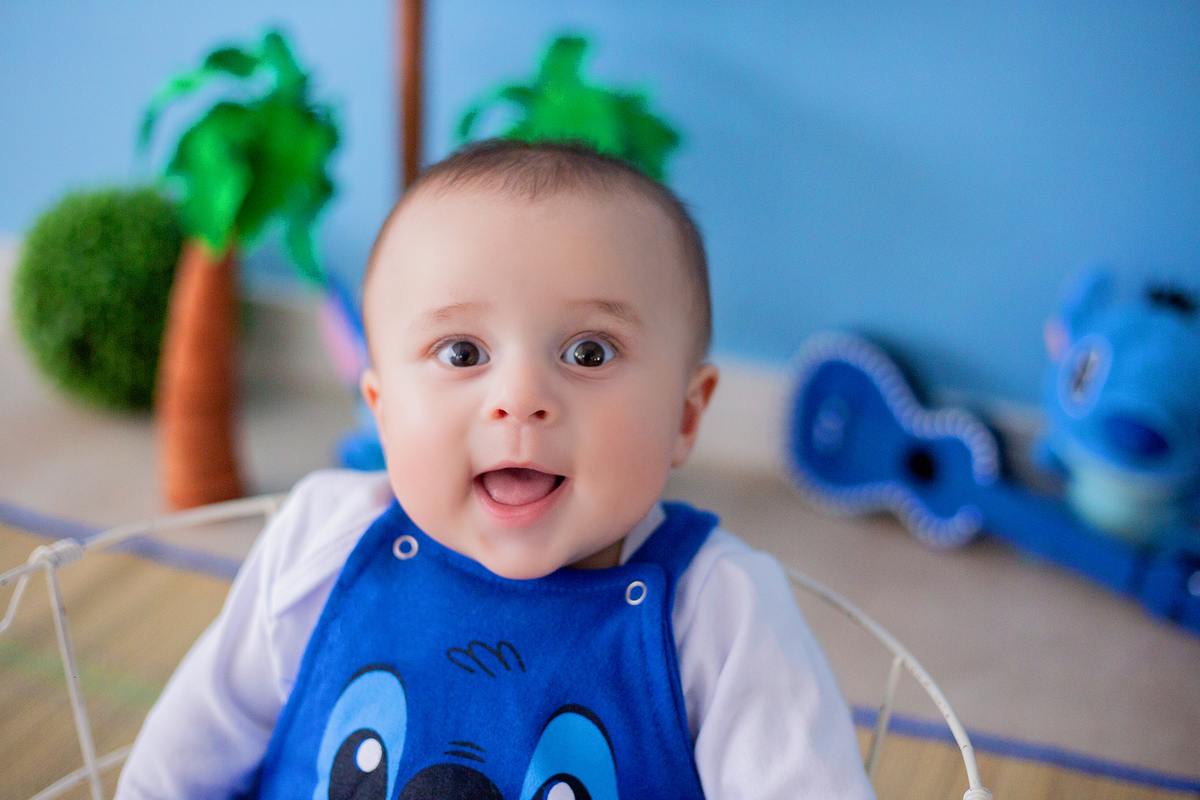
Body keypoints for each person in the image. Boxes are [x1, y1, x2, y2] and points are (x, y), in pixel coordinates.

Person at [116, 140, 874, 800]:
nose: (519, 400)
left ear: (685, 414)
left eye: (588, 352)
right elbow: (193, 741)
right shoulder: (325, 538)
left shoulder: (718, 614)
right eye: (463, 353)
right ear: (381, 409)